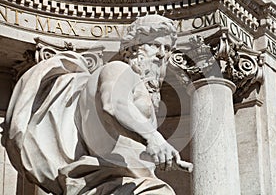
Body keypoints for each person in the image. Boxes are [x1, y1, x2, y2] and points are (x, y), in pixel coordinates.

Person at [1, 15, 192, 194]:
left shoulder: (139, 86)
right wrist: (153, 137)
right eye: (155, 45)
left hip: (121, 179)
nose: (161, 55)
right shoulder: (118, 69)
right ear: (133, 48)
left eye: (167, 49)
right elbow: (113, 104)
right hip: (107, 179)